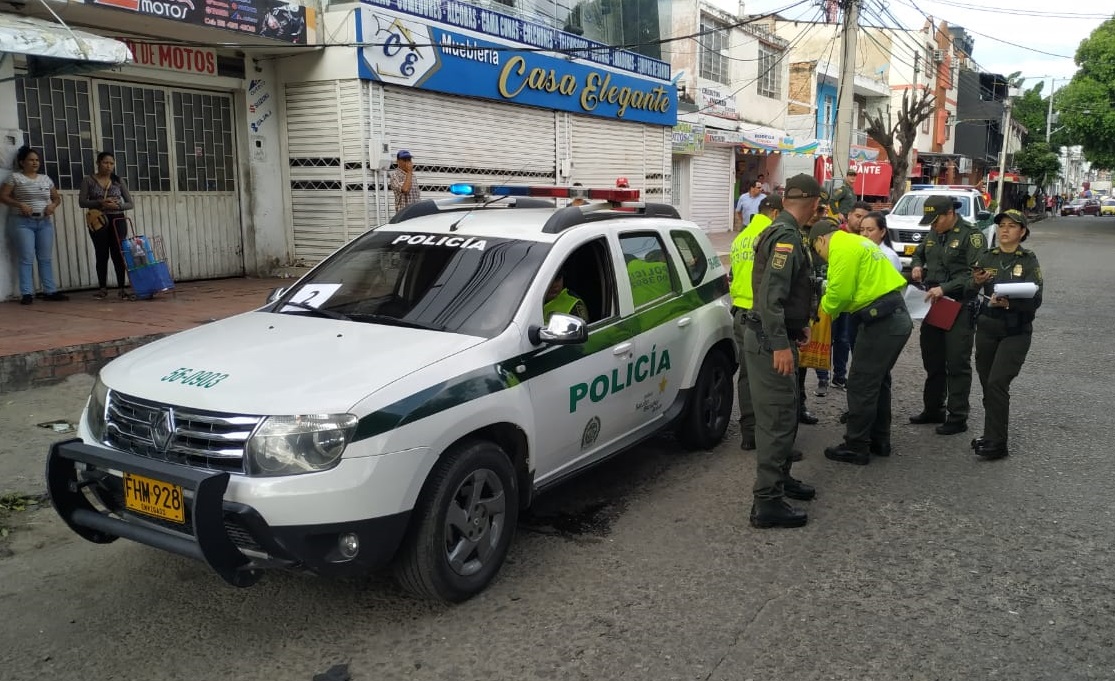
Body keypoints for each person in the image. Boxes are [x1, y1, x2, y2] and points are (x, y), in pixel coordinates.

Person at [741, 173, 822, 529]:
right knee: (776, 420)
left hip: (777, 335)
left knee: (786, 414)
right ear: (815, 204)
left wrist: (797, 325)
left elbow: (784, 292)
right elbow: (770, 297)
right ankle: (767, 502)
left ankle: (781, 480)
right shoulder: (787, 236)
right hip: (768, 340)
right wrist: (779, 344)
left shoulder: (785, 230)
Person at [809, 219, 912, 464]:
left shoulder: (840, 249)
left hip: (881, 322)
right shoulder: (855, 242)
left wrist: (820, 315)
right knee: (878, 381)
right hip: (894, 316)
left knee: (861, 384)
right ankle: (879, 440)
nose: (821, 257)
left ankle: (856, 445)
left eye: (817, 251)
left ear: (821, 240)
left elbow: (840, 293)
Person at [909, 195, 986, 435]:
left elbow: (976, 274)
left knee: (956, 362)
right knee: (932, 359)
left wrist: (945, 288)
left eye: (936, 220)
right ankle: (933, 408)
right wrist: (917, 265)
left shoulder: (971, 236)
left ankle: (958, 416)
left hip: (958, 304)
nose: (933, 225)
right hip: (934, 303)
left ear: (950, 214)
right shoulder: (934, 232)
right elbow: (919, 252)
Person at [970, 209, 1042, 460]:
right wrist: (977, 282)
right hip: (987, 327)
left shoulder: (1028, 260)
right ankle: (991, 433)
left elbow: (1036, 298)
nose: (1005, 230)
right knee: (987, 384)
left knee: (997, 382)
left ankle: (997, 442)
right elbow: (969, 289)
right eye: (1002, 225)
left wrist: (1010, 304)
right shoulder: (986, 256)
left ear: (1022, 232)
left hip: (1015, 331)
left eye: (1012, 226)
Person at [1, 146, 67, 304]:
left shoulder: (45, 179)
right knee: (26, 257)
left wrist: (52, 205)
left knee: (45, 258)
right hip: (22, 222)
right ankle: (27, 293)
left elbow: (56, 198)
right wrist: (19, 204)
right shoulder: (15, 177)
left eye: (37, 160)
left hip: (44, 222)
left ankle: (50, 291)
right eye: (31, 160)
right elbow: (3, 196)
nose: (35, 162)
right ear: (22, 162)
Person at [79, 152, 135, 299]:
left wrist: (118, 206)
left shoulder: (118, 180)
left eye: (111, 163)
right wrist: (100, 203)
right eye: (105, 162)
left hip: (117, 219)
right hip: (99, 221)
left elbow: (130, 203)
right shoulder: (88, 180)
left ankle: (122, 288)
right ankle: (102, 288)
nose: (108, 166)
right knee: (101, 253)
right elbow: (82, 202)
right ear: (98, 163)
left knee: (118, 253)